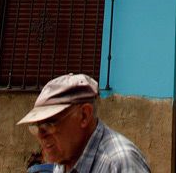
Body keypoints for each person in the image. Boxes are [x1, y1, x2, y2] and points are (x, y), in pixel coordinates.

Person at [18, 73, 150, 173]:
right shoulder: (64, 160)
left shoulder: (119, 163)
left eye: (49, 124)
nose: (41, 135)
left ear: (84, 115)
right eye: (37, 126)